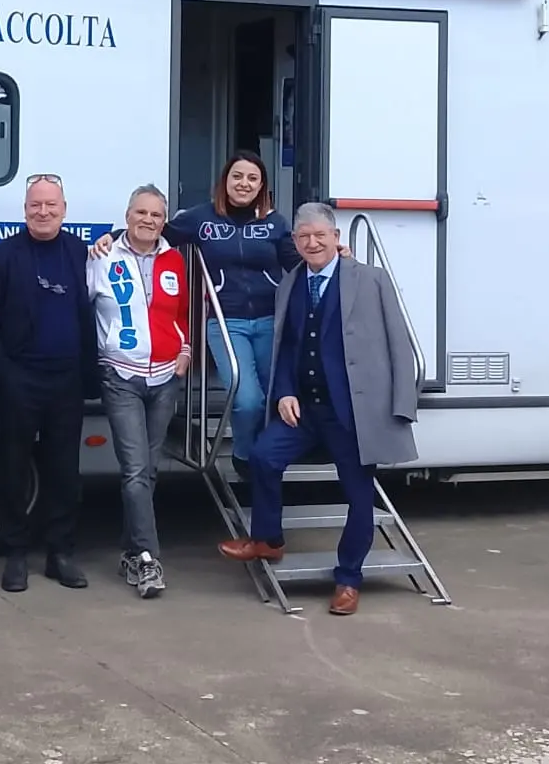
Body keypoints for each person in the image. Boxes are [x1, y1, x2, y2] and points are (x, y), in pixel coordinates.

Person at [219, 203, 418, 615]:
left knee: (359, 497)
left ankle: (348, 580)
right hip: (304, 409)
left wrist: (402, 406)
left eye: (320, 236)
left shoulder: (371, 280)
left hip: (353, 413)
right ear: (294, 241)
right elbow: (289, 344)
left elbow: (399, 343)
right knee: (262, 457)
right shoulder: (291, 282)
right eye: (303, 236)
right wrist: (285, 392)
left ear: (336, 238)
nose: (312, 243)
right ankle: (269, 541)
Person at [0, 174, 99, 593]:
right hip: (19, 381)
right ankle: (15, 555)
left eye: (51, 205)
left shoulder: (81, 254)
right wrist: (5, 376)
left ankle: (59, 553)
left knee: (64, 471)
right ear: (24, 210)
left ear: (64, 210)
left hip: (67, 379)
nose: (43, 212)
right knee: (13, 469)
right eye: (35, 206)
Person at [86, 185, 190, 601]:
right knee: (133, 468)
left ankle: (131, 551)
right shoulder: (102, 256)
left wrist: (185, 350)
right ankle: (148, 559)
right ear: (127, 216)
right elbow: (82, 306)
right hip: (121, 377)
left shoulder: (174, 259)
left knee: (147, 470)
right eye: (140, 213)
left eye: (156, 215)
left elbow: (183, 311)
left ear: (164, 220)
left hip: (166, 378)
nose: (148, 220)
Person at [162, 152, 297, 471]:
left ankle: (269, 458)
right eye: (237, 176)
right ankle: (244, 457)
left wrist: (337, 257)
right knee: (247, 398)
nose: (244, 183)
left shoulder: (274, 222)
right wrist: (111, 241)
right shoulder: (201, 218)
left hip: (270, 321)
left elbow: (298, 263)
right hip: (226, 323)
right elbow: (155, 235)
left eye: (252, 178)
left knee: (273, 396)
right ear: (225, 180)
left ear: (262, 185)